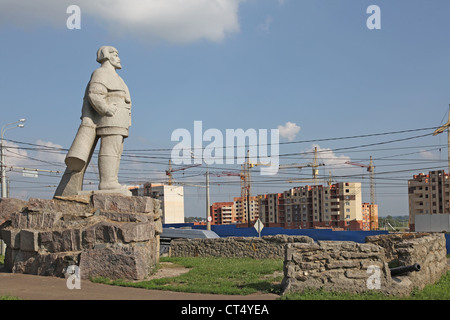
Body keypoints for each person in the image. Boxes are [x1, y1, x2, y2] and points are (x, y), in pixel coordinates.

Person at [54, 46, 132, 197]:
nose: (119, 58)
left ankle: (112, 181)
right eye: (115, 55)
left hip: (119, 119)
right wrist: (106, 109)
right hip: (109, 119)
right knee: (110, 149)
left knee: (116, 151)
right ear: (106, 56)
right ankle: (108, 183)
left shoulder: (117, 77)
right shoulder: (101, 73)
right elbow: (94, 94)